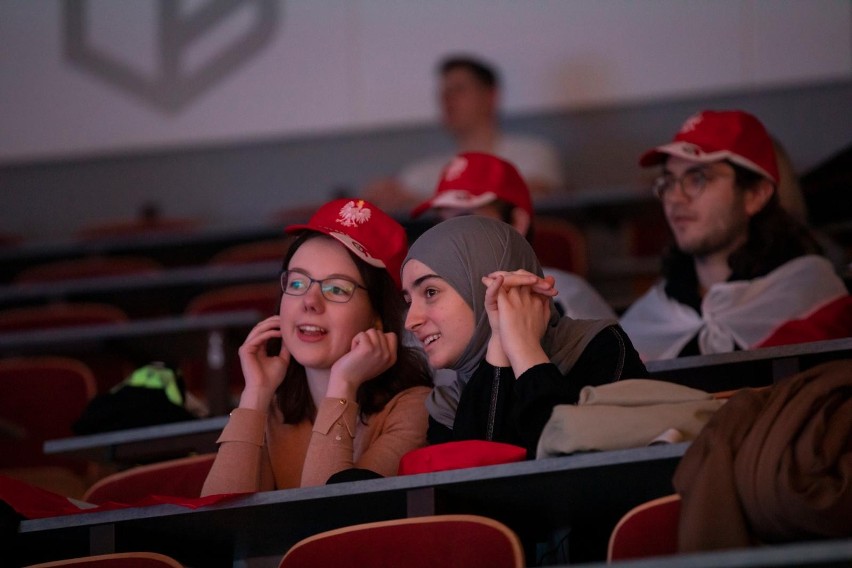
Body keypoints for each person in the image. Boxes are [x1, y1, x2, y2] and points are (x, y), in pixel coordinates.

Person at [201, 198, 432, 494]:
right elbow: (220, 518)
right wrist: (255, 396)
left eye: (337, 289)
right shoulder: (275, 404)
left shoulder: (414, 407)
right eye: (297, 284)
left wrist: (342, 387)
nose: (309, 302)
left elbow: (326, 515)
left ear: (378, 317)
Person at [401, 216, 647, 457]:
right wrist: (498, 345)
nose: (411, 321)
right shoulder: (446, 406)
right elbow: (475, 489)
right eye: (408, 301)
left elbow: (577, 469)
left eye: (430, 292)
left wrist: (524, 349)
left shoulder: (599, 348)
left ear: (483, 287)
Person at [619, 110, 850, 361]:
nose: (675, 198)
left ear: (755, 195)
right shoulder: (654, 314)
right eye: (668, 181)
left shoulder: (814, 300)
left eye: (698, 178)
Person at [410, 151, 616, 320]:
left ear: (518, 222)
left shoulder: (564, 300)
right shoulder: (424, 309)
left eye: (466, 220)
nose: (449, 237)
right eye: (440, 224)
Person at [364, 55, 564, 212]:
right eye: (443, 93)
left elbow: (526, 195)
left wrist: (423, 202)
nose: (447, 100)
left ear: (490, 97)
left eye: (458, 90)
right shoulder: (420, 173)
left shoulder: (532, 154)